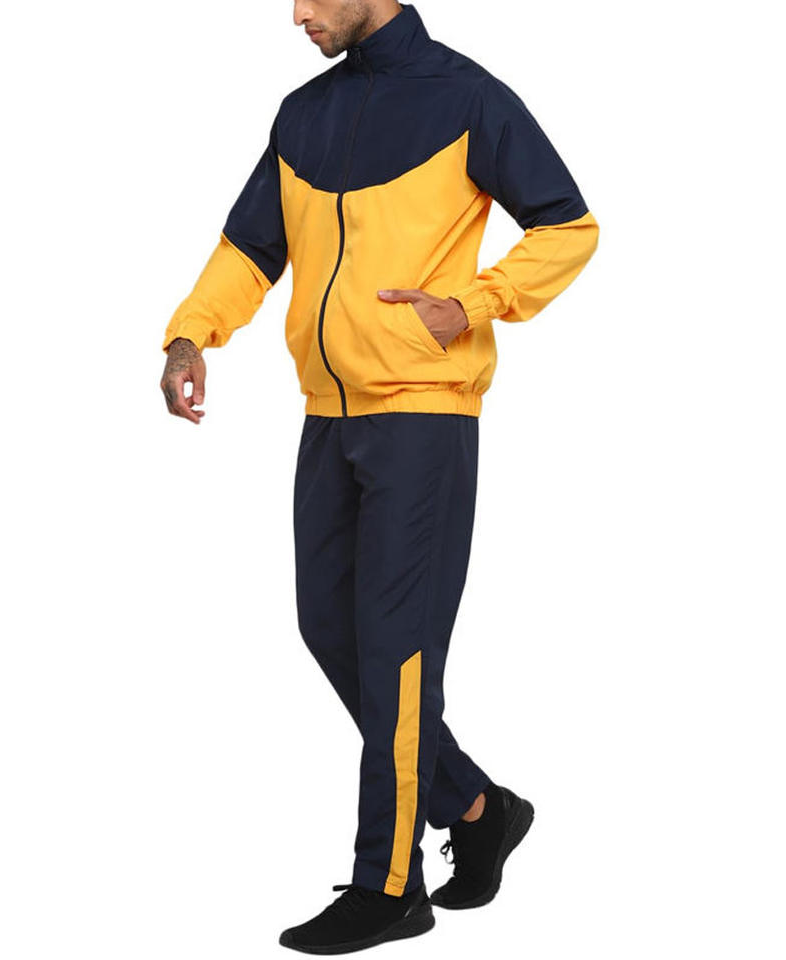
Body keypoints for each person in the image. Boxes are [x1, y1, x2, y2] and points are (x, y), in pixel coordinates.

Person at [159, 1, 599, 953]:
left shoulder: (467, 98)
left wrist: (473, 303)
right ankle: (477, 807)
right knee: (331, 630)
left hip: (423, 418)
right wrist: (190, 334)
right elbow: (250, 248)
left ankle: (389, 886)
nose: (297, 15)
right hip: (328, 414)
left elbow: (569, 226)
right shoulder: (303, 114)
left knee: (397, 653)